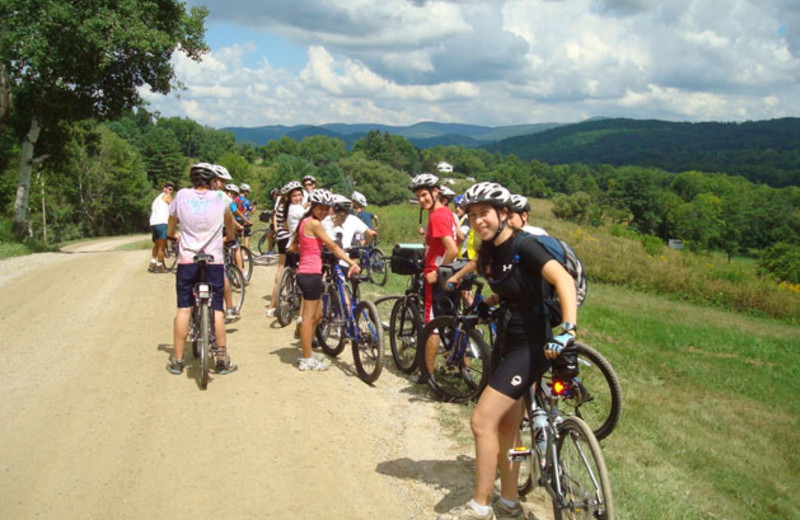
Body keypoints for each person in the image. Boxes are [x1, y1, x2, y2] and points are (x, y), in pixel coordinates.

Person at [440, 181, 578, 520]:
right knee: (508, 428)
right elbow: (514, 290)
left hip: (531, 344)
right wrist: (487, 303)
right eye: (472, 215)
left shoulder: (525, 245)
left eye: (484, 213)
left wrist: (569, 331)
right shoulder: (490, 251)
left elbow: (564, 281)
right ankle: (511, 499)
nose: (478, 220)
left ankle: (480, 506)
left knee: (481, 421)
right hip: (507, 340)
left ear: (503, 213)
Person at [166, 163, 238, 376]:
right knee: (217, 309)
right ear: (212, 181)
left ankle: (178, 360)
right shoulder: (222, 198)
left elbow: (172, 221)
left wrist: (171, 235)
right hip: (213, 260)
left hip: (188, 259)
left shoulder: (181, 196)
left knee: (184, 309)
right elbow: (230, 223)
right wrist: (230, 238)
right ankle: (222, 360)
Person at [291, 189, 361, 371]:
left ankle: (307, 351)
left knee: (318, 315)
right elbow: (333, 246)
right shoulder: (314, 224)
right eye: (320, 208)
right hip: (310, 274)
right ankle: (306, 358)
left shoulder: (306, 222)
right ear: (312, 206)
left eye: (326, 208)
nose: (323, 211)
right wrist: (350, 262)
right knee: (309, 317)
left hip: (310, 273)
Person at [409, 173, 459, 385]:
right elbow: (460, 238)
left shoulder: (437, 216)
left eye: (424, 195)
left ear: (436, 192)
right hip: (452, 275)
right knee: (453, 322)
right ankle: (461, 368)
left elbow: (452, 249)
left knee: (432, 326)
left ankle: (426, 375)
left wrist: (437, 272)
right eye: (418, 196)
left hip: (436, 278)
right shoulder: (447, 213)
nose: (422, 200)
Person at [266, 180, 302, 318]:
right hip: (290, 239)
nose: (298, 198)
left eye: (299, 195)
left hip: (281, 238)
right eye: (295, 195)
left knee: (281, 269)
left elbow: (280, 222)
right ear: (288, 196)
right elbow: (289, 226)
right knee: (291, 269)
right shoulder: (294, 208)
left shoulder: (281, 206)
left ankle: (272, 305)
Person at [148, 181, 175, 273]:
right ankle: (159, 265)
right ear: (164, 189)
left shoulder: (157, 199)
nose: (170, 191)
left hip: (153, 223)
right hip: (162, 222)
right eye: (169, 189)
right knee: (162, 245)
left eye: (172, 190)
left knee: (157, 244)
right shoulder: (166, 196)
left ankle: (153, 262)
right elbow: (174, 208)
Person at [235, 183, 256, 249]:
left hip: (236, 219)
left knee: (238, 236)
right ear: (245, 191)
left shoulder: (235, 199)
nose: (248, 193)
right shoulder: (246, 201)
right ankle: (246, 254)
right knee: (247, 237)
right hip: (245, 220)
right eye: (247, 192)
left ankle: (238, 252)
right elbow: (252, 212)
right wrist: (255, 205)